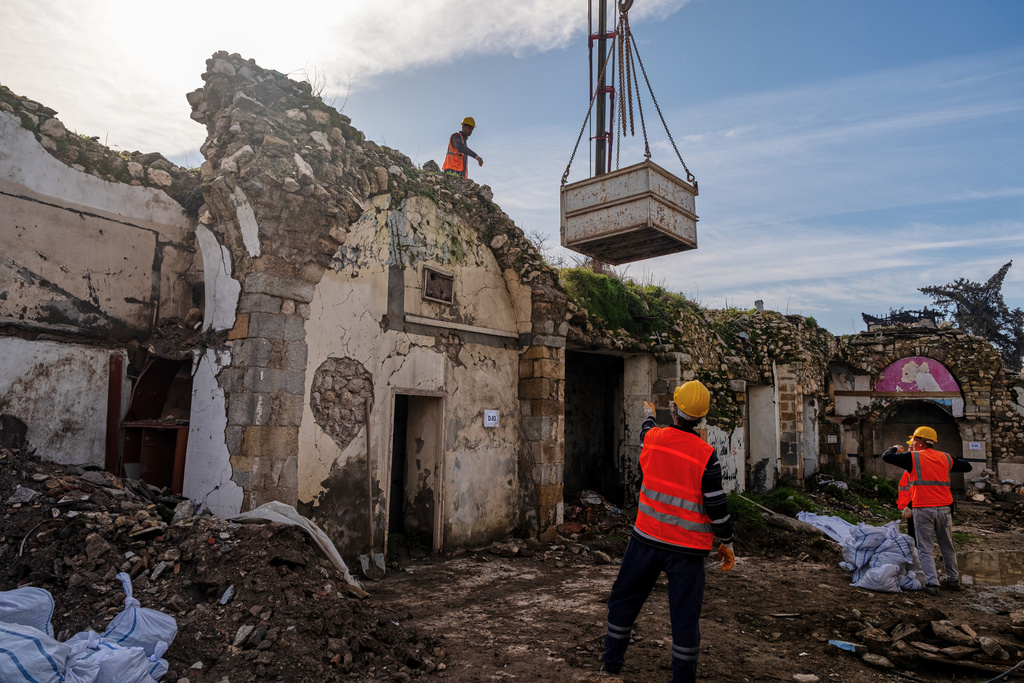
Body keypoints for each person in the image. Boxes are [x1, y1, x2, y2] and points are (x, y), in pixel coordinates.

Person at [601, 380, 734, 683]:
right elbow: (717, 505)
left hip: (646, 541)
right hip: (688, 552)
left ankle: (610, 665)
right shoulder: (706, 455)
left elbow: (645, 431)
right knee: (685, 618)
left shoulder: (655, 439)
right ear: (702, 418)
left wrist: (649, 414)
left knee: (623, 602)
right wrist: (726, 541)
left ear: (674, 409)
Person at [881, 426, 972, 595]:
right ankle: (953, 580)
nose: (912, 444)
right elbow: (967, 467)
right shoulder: (945, 457)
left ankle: (933, 583)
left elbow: (887, 456)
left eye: (914, 440)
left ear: (921, 442)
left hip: (923, 509)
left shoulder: (913, 458)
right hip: (944, 509)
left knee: (925, 548)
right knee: (947, 546)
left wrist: (895, 448)